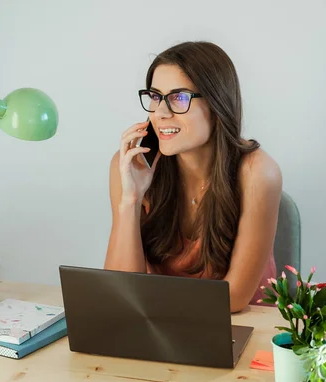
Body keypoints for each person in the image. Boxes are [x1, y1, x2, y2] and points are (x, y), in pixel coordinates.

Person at [104, 41, 282, 313]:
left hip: (244, 329)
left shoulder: (257, 172)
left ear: (216, 104)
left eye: (178, 97)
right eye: (155, 96)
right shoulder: (131, 165)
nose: (160, 113)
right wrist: (131, 199)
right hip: (165, 327)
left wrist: (150, 301)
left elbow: (232, 298)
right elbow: (120, 291)